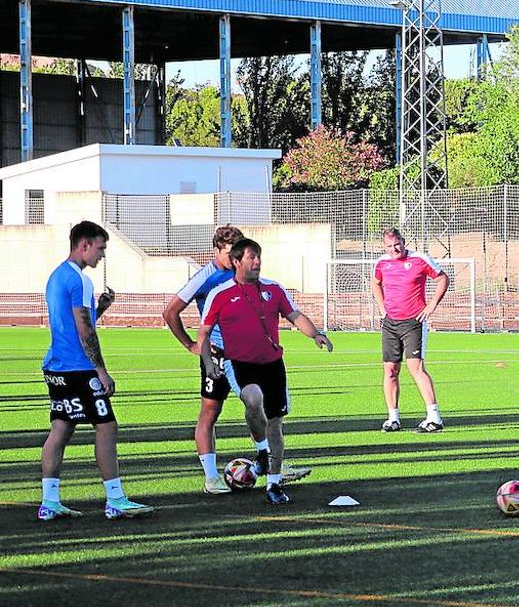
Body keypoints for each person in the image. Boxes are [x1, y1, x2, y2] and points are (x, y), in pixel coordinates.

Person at [163, 226, 311, 494]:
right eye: (229, 251)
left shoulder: (245, 277)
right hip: (219, 354)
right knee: (210, 412)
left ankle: (270, 462)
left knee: (262, 406)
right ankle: (211, 477)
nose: (235, 257)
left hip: (247, 356)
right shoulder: (205, 278)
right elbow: (171, 311)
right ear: (217, 251)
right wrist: (191, 345)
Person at [199, 239, 333, 505]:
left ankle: (273, 483)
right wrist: (209, 361)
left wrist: (315, 334)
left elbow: (295, 315)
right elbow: (203, 333)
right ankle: (261, 451)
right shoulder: (220, 293)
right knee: (252, 398)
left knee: (275, 423)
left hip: (273, 365)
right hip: (240, 364)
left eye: (258, 257)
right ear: (237, 261)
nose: (257, 262)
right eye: (251, 257)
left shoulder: (274, 289)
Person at [38, 220, 154, 521]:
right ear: (84, 245)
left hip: (56, 366)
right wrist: (101, 370)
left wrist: (100, 308)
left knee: (61, 427)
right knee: (106, 427)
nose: (102, 255)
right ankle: (115, 499)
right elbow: (85, 330)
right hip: (78, 368)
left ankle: (49, 501)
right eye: (100, 248)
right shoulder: (79, 280)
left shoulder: (57, 276)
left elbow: (74, 321)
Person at [371, 228, 449, 433]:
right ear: (384, 247)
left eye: (397, 244)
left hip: (414, 322)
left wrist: (431, 306)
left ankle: (434, 418)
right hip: (390, 323)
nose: (394, 249)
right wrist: (381, 306)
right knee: (390, 371)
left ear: (403, 242)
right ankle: (393, 418)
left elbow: (442, 279)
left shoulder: (419, 259)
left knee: (416, 368)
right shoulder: (381, 263)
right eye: (389, 246)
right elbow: (375, 282)